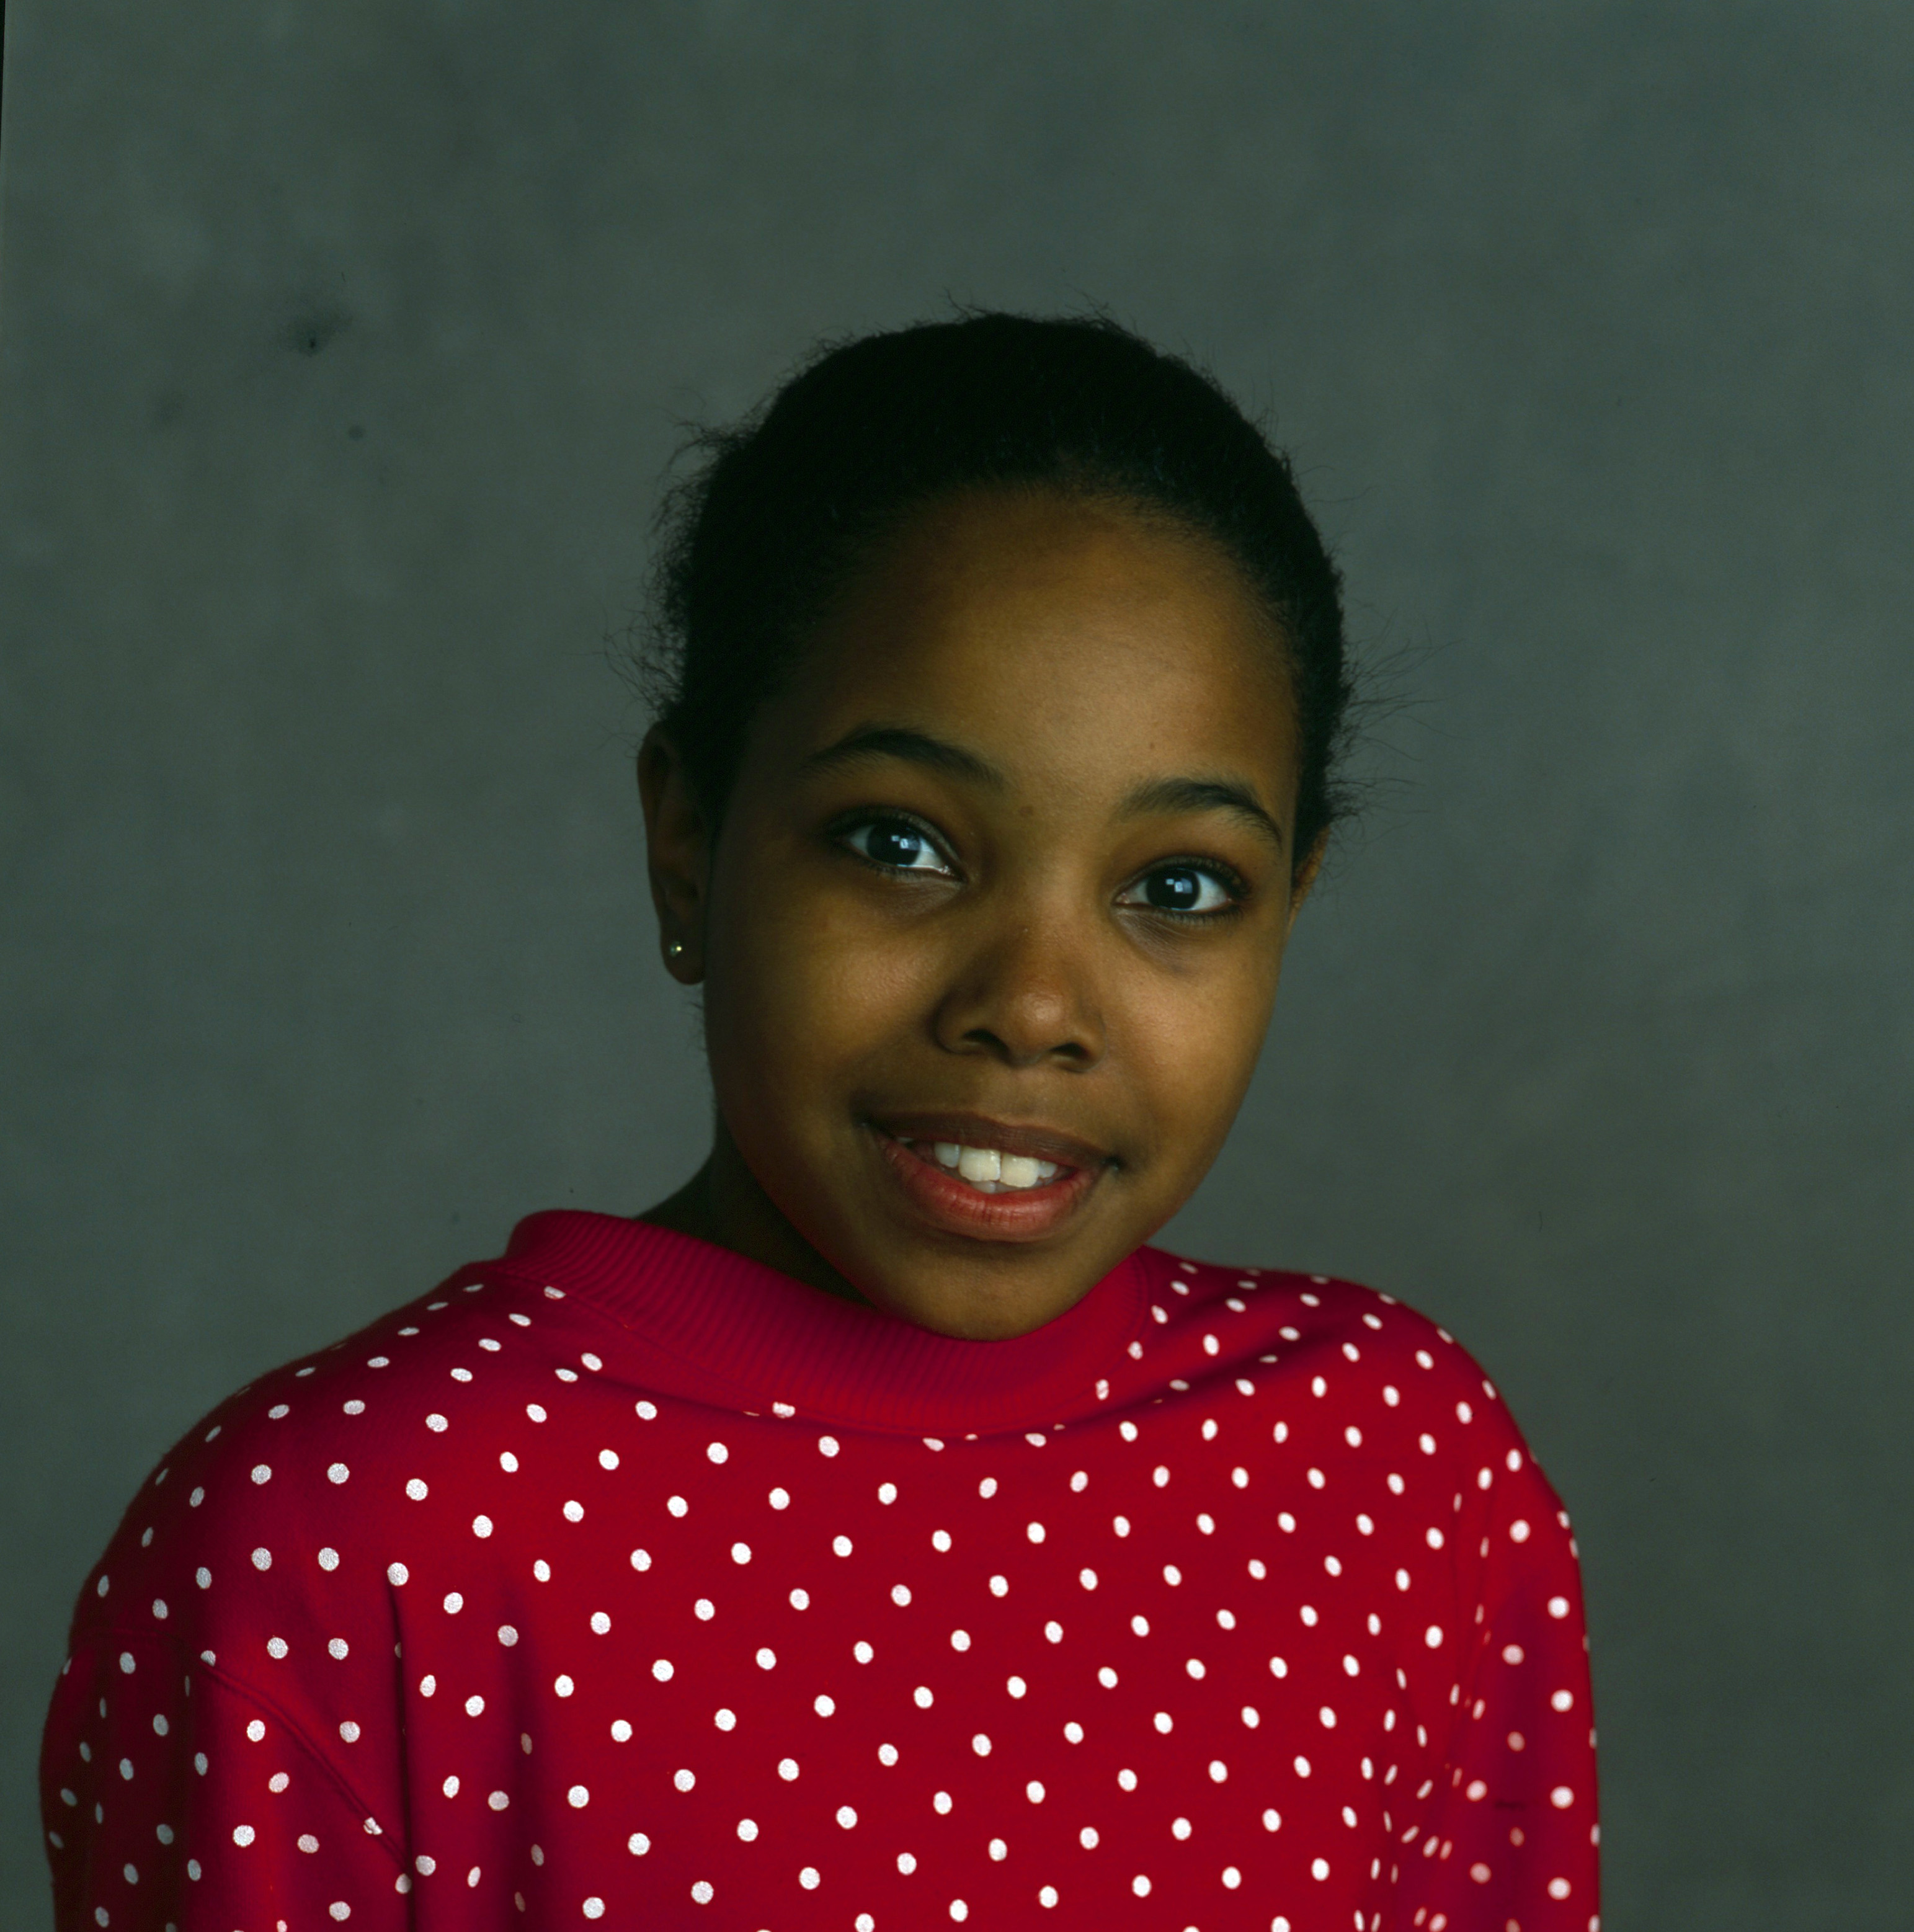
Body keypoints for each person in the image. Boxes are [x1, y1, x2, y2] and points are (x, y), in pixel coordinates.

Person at [41, 312, 1598, 1931]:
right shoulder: (338, 1549)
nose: (1036, 1002)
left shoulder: (1401, 1482)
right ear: (688, 843)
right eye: (901, 843)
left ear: (1294, 906)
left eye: (1179, 886)